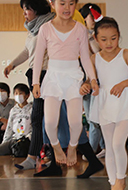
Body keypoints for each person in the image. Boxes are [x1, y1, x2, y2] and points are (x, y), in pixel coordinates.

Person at [32, 0, 99, 167]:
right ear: (52, 4)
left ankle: (72, 147)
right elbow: (39, 57)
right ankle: (55, 146)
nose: (67, 8)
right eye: (62, 3)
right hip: (53, 77)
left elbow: (85, 56)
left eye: (71, 3)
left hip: (73, 77)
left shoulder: (80, 29)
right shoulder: (45, 28)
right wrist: (35, 83)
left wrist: (93, 79)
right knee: (49, 122)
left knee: (76, 122)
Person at [89, 13, 128, 190]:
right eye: (103, 39)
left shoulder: (125, 53)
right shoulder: (94, 58)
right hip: (104, 103)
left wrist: (123, 84)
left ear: (119, 35)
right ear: (96, 39)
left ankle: (121, 179)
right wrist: (88, 86)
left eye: (113, 38)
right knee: (110, 146)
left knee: (118, 143)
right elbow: (89, 80)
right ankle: (113, 182)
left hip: (125, 102)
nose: (109, 43)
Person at [4, 0, 54, 170]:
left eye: (27, 9)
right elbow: (27, 51)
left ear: (36, 8)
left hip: (45, 74)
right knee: (41, 117)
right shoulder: (32, 30)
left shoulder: (48, 26)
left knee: (39, 116)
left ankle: (36, 156)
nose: (24, 13)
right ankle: (43, 156)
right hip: (34, 73)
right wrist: (12, 64)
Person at [79, 3, 106, 159]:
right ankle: (102, 147)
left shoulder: (96, 36)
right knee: (91, 117)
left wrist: (90, 36)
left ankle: (91, 151)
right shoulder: (80, 34)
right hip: (85, 80)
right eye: (91, 15)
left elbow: (99, 53)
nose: (94, 17)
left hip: (97, 80)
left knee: (94, 118)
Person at [0, 83, 32, 156]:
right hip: (14, 139)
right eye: (16, 93)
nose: (18, 96)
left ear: (27, 95)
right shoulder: (13, 110)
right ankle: (15, 149)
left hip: (27, 139)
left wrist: (28, 138)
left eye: (21, 93)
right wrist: (4, 142)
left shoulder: (31, 109)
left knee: (22, 149)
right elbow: (9, 127)